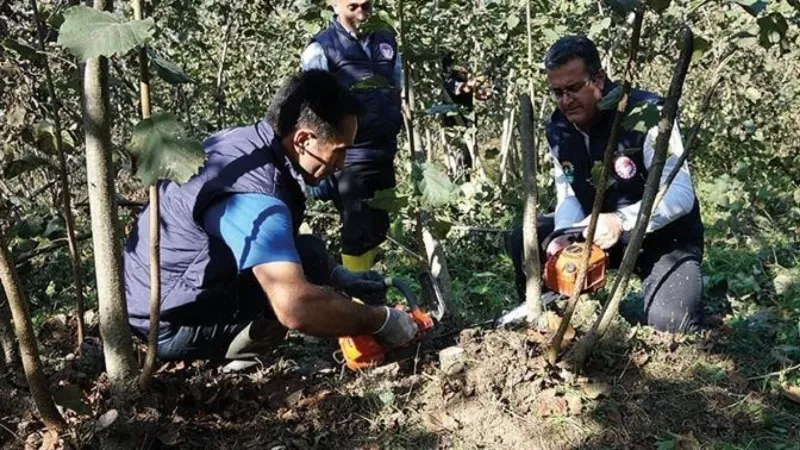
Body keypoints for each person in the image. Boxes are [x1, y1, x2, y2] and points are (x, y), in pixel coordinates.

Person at [123, 71, 419, 371]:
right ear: (303, 139)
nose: (342, 165)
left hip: (160, 293)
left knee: (311, 256)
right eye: (339, 152)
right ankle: (236, 362)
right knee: (287, 304)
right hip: (167, 325)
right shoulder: (256, 196)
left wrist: (340, 276)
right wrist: (379, 320)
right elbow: (295, 307)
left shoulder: (247, 143)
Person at [506, 35, 705, 332]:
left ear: (598, 79)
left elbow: (680, 193)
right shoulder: (558, 129)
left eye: (574, 89)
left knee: (671, 321)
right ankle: (546, 309)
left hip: (663, 238)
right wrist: (565, 234)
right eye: (557, 92)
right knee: (526, 238)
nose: (565, 101)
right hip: (593, 233)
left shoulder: (648, 114)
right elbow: (569, 194)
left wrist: (621, 221)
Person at [300, 0, 404, 272]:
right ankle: (358, 298)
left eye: (367, 6)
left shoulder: (386, 38)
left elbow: (396, 85)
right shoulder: (322, 47)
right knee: (357, 231)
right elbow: (314, 106)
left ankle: (370, 287)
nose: (362, 13)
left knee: (378, 228)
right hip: (350, 155)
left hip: (383, 150)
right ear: (335, 6)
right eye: (353, 7)